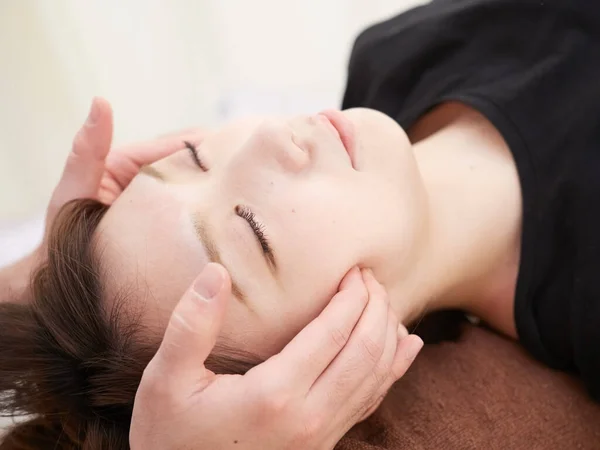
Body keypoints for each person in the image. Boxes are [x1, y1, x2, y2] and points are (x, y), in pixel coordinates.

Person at [3, 0, 600, 447]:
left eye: (193, 160)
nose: (265, 138)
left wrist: (42, 273)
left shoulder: (395, 58)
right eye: (253, 231)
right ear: (318, 365)